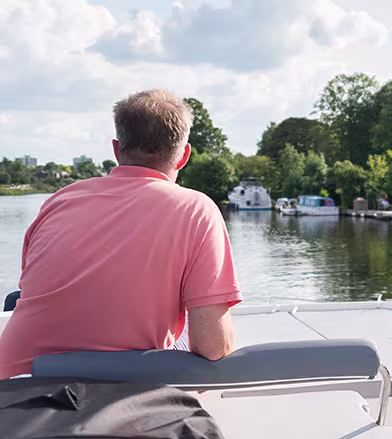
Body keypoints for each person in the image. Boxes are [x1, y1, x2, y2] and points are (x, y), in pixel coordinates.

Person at [0, 89, 242, 378]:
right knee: (195, 318)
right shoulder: (197, 209)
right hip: (113, 386)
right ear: (184, 156)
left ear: (116, 150)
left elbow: (31, 285)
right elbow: (213, 347)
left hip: (13, 381)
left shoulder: (61, 199)